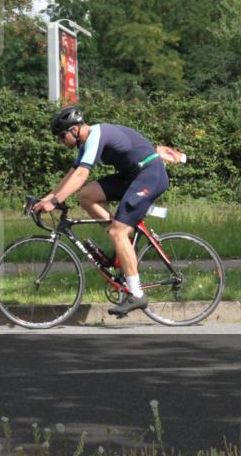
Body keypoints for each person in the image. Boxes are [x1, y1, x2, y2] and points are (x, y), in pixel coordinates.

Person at [33, 106, 169, 316]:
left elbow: (81, 176)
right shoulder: (86, 142)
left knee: (118, 232)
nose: (60, 141)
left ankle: (137, 294)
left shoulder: (97, 134)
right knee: (86, 196)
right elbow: (72, 174)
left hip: (150, 174)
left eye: (61, 136)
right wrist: (48, 198)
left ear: (75, 130)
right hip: (130, 176)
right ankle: (121, 240)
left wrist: (57, 201)